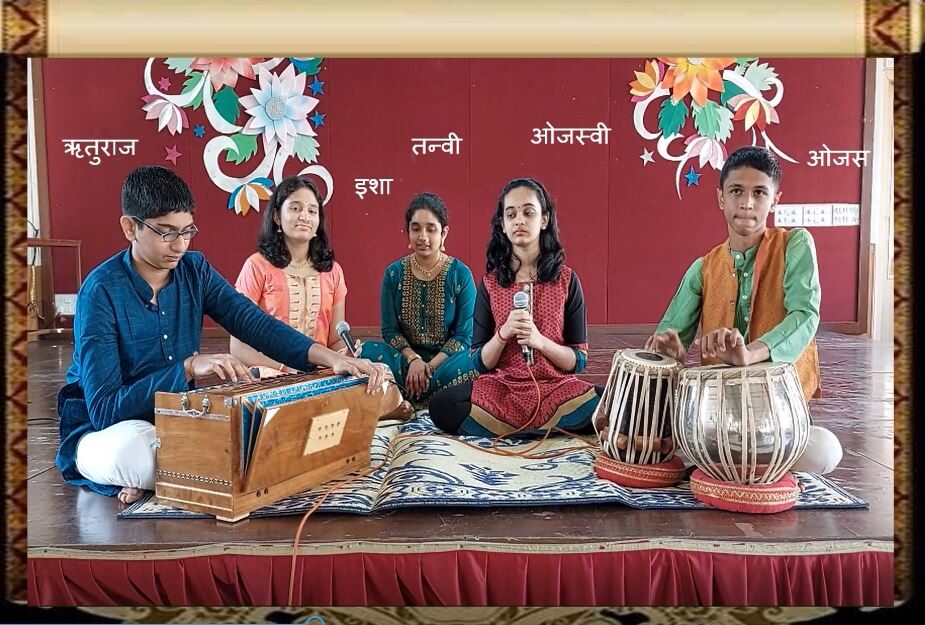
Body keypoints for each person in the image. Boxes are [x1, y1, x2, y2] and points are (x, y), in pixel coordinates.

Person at [55, 166, 389, 504]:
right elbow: (104, 410)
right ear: (130, 227)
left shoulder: (194, 270)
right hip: (107, 430)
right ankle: (141, 472)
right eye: (166, 233)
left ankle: (159, 476)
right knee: (140, 455)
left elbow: (255, 324)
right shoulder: (101, 291)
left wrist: (332, 358)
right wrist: (187, 368)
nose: (180, 245)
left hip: (177, 421)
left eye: (187, 231)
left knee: (254, 439)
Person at [645, 146, 842, 474]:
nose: (747, 203)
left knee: (824, 451)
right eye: (736, 191)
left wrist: (750, 354)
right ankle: (738, 462)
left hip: (776, 413)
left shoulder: (795, 244)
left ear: (775, 199)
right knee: (650, 435)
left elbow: (805, 315)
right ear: (721, 198)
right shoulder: (703, 268)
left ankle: (728, 462)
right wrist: (669, 353)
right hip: (715, 415)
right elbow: (670, 338)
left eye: (759, 192)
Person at [429, 177, 600, 436]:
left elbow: (578, 361)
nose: (519, 220)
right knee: (443, 405)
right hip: (502, 390)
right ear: (503, 224)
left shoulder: (566, 280)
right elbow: (479, 362)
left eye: (528, 213)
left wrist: (540, 342)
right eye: (511, 215)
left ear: (544, 220)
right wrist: (503, 333)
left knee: (618, 401)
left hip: (557, 390)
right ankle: (551, 428)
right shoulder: (490, 284)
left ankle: (520, 428)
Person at [360, 192, 477, 403]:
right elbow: (390, 331)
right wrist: (414, 360)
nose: (423, 237)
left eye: (431, 229)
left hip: (446, 366)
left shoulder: (461, 274)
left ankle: (402, 396)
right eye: (416, 229)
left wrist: (428, 367)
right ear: (408, 231)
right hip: (404, 363)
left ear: (444, 233)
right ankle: (420, 396)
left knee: (474, 361)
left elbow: (463, 336)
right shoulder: (394, 274)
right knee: (363, 352)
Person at [231, 176, 356, 375]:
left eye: (312, 211)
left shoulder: (332, 271)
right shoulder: (257, 266)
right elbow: (238, 347)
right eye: (296, 208)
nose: (305, 216)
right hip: (271, 375)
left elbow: (335, 340)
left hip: (319, 375)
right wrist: (286, 368)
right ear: (277, 217)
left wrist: (345, 354)